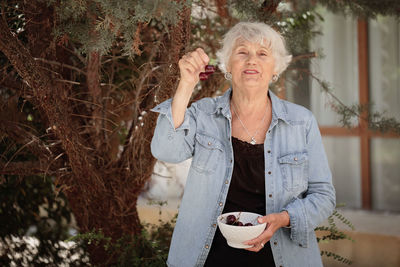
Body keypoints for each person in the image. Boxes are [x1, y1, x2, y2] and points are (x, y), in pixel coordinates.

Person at [150, 22, 336, 267]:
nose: (252, 61)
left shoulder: (301, 122)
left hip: (282, 258)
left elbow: (324, 196)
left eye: (262, 54)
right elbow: (166, 150)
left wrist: (284, 218)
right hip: (207, 257)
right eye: (242, 52)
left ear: (275, 68)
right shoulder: (203, 114)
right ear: (227, 65)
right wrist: (186, 84)